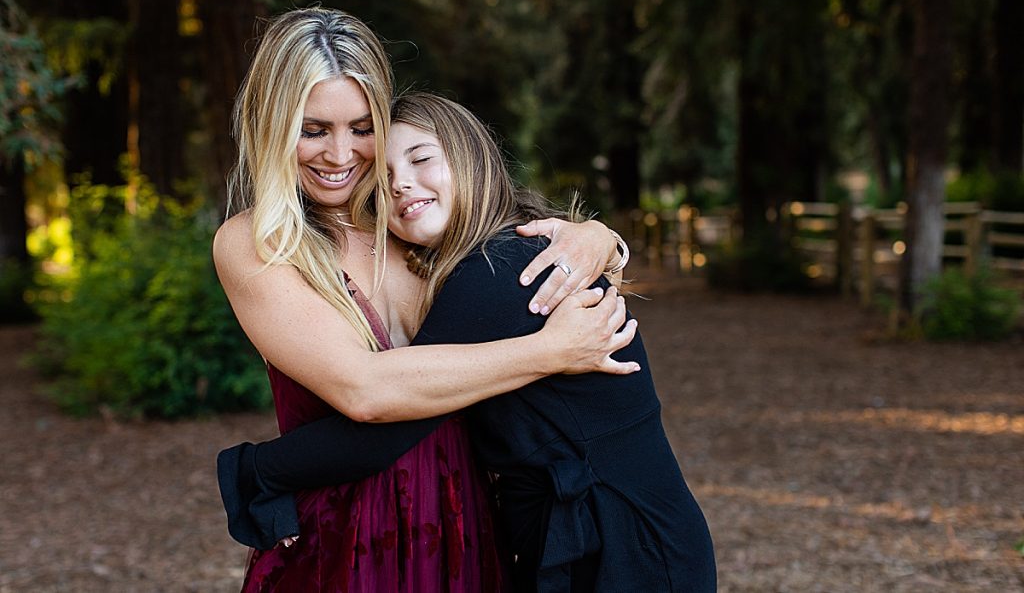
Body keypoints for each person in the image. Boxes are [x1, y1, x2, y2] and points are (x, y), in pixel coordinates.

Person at [221, 92, 717, 592]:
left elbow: (385, 424)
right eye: (383, 178)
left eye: (421, 160)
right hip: (607, 539)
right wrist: (602, 236)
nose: (402, 185)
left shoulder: (496, 272)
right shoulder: (504, 254)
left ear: (469, 159)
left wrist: (255, 470)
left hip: (628, 551)